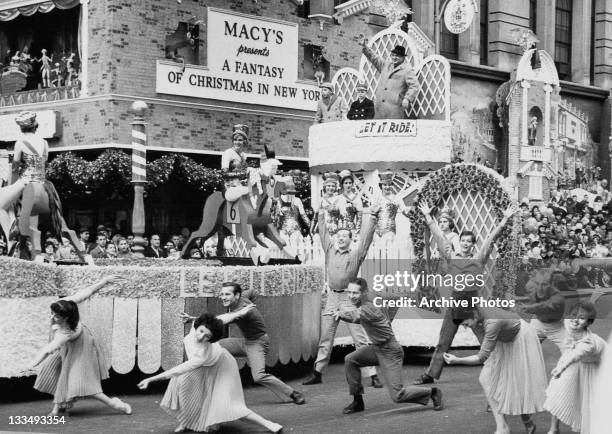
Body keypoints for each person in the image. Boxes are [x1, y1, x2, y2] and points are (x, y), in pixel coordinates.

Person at [414, 201, 517, 385]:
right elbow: (438, 236)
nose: (465, 244)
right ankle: (430, 375)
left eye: (469, 242)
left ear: (473, 244)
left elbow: (491, 239)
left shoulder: (479, 259)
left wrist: (505, 220)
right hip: (455, 304)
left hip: (473, 306)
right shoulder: (451, 255)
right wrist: (428, 217)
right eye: (463, 241)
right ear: (459, 242)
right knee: (443, 340)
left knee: (485, 339)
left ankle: (498, 370)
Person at [137, 313, 282, 433]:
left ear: (211, 338)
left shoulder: (203, 353)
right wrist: (192, 318)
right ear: (197, 327)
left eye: (207, 336)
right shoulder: (195, 328)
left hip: (223, 366)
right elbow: (220, 318)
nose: (201, 337)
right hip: (204, 365)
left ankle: (270, 424)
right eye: (200, 331)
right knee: (181, 385)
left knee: (230, 405)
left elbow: (180, 368)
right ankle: (185, 421)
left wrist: (151, 379)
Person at [182, 282, 306, 405]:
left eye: (227, 294)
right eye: (222, 294)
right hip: (245, 341)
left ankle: (293, 393)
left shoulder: (244, 312)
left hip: (258, 343)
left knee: (259, 376)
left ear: (236, 296)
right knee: (214, 347)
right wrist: (253, 302)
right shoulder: (243, 297)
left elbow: (218, 321)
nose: (223, 297)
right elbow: (252, 291)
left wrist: (193, 319)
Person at [335, 278, 444, 414]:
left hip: (391, 352)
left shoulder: (368, 308)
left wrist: (339, 314)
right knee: (350, 360)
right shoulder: (373, 295)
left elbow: (354, 316)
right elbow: (395, 298)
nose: (351, 296)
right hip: (377, 348)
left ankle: (433, 392)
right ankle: (358, 402)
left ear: (364, 293)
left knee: (398, 395)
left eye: (355, 293)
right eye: (349, 293)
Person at [303, 201, 382, 388]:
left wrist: (372, 218)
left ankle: (372, 374)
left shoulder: (355, 254)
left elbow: (365, 241)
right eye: (338, 235)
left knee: (359, 338)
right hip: (332, 297)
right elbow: (323, 233)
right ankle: (317, 372)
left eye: (345, 236)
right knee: (326, 337)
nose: (340, 238)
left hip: (349, 298)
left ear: (350, 239)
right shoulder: (330, 250)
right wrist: (320, 214)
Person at [29, 276, 131, 416]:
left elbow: (48, 349)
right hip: (67, 347)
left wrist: (32, 363)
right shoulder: (64, 305)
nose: (52, 317)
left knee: (84, 383)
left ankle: (118, 405)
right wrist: (105, 280)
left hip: (82, 348)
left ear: (66, 318)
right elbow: (87, 291)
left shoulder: (65, 333)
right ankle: (59, 405)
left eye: (56, 316)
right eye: (52, 313)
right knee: (54, 370)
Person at [443, 307, 547, 434]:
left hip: (519, 338)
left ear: (474, 315)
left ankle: (526, 421)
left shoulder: (492, 321)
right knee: (486, 379)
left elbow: (481, 358)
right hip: (501, 339)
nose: (466, 327)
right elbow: (485, 348)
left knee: (515, 382)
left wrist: (457, 360)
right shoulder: (475, 318)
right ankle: (502, 427)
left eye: (466, 323)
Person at [544, 302, 607, 434]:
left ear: (588, 322)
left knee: (589, 399)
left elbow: (575, 356)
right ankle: (554, 429)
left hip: (596, 363)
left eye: (582, 317)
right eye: (573, 315)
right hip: (575, 358)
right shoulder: (568, 323)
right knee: (557, 389)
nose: (575, 319)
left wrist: (561, 368)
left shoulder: (588, 344)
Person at [360, 40, 418, 119]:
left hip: (394, 111)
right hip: (379, 110)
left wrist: (407, 99)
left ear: (403, 57)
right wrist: (365, 47)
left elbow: (415, 86)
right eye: (393, 55)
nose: (394, 57)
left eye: (397, 56)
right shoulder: (386, 65)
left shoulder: (407, 70)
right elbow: (374, 58)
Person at [517, 269, 566, 352]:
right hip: (538, 323)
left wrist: (530, 308)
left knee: (571, 351)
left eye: (544, 284)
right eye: (537, 283)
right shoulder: (534, 291)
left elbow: (546, 305)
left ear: (552, 284)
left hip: (557, 326)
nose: (540, 288)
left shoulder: (558, 297)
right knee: (525, 349)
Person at [371, 171, 410, 243]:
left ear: (392, 185)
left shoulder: (396, 198)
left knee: (388, 251)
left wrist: (415, 211)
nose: (387, 187)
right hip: (377, 232)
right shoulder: (377, 198)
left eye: (389, 185)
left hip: (389, 231)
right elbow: (372, 217)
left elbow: (406, 212)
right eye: (385, 185)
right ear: (381, 186)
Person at [310, 172, 341, 236]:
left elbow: (342, 216)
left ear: (335, 188)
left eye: (333, 186)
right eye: (328, 186)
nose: (331, 188)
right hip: (323, 229)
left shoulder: (339, 199)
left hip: (336, 229)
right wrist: (312, 228)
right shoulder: (321, 200)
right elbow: (315, 216)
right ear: (325, 187)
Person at [337, 170, 363, 240]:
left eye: (350, 183)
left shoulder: (357, 198)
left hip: (352, 230)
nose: (348, 185)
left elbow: (359, 218)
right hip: (339, 229)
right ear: (342, 184)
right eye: (346, 183)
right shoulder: (338, 198)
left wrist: (357, 233)